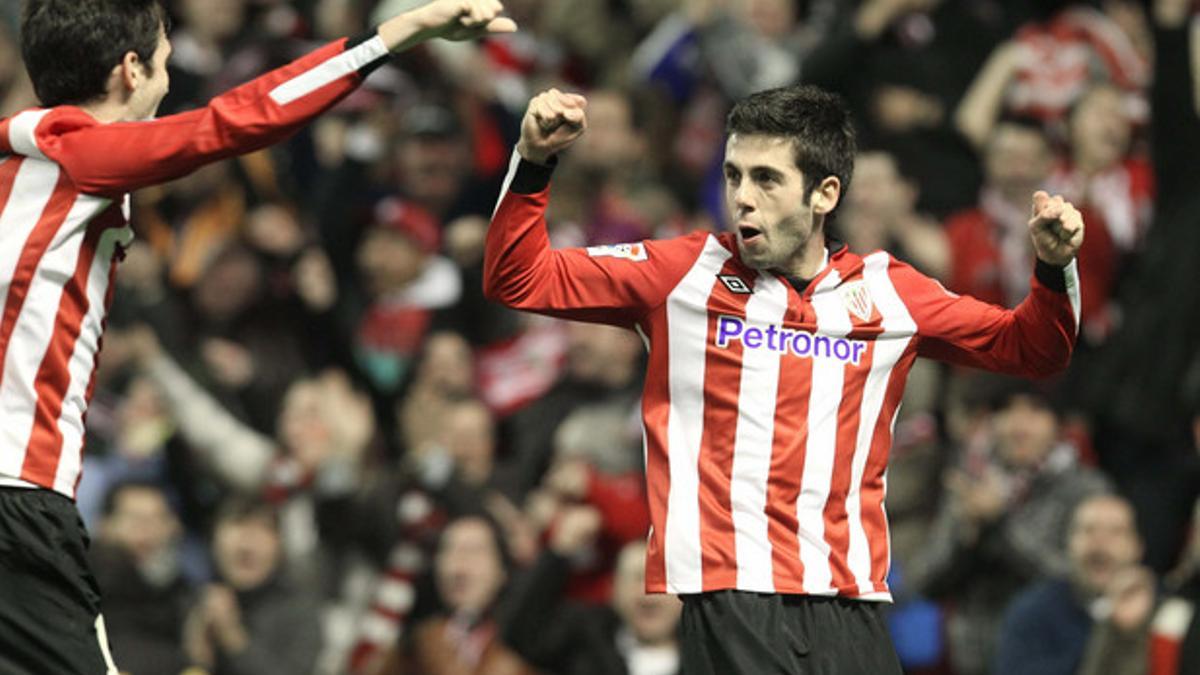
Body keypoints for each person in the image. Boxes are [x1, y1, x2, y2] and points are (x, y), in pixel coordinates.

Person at [483, 84, 1086, 673]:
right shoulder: (680, 274)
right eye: (733, 175)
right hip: (731, 591)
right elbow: (518, 277)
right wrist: (534, 162)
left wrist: (1054, 272)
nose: (742, 197)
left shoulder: (889, 291)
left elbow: (1034, 350)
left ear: (824, 193)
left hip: (851, 597)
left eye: (766, 179)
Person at [0, 1, 515, 673]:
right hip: (20, 491)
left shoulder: (17, 156)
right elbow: (237, 118)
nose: (170, 74)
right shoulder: (85, 155)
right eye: (164, 57)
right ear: (131, 70)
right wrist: (393, 36)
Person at [992, 493, 1153, 675]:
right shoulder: (1033, 611)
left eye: (1115, 532)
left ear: (1138, 547)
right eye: (1088, 530)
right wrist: (1110, 628)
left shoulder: (1165, 610)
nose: (1100, 542)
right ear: (1068, 543)